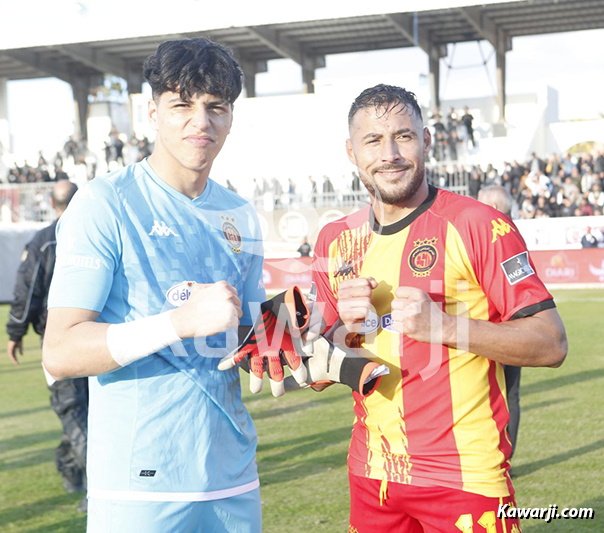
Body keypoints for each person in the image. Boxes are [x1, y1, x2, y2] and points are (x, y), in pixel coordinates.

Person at [311, 84, 567, 533]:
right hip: (372, 477)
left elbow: (550, 343)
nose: (389, 153)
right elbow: (317, 375)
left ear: (427, 141)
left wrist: (447, 327)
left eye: (403, 137)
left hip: (465, 477)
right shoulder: (335, 241)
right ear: (351, 152)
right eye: (373, 141)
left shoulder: (478, 224)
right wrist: (339, 334)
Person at [43, 38, 265, 533]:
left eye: (216, 107)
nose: (200, 122)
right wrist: (178, 323)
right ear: (152, 112)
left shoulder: (240, 214)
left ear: (231, 116)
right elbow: (59, 351)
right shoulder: (104, 203)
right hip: (141, 484)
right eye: (181, 105)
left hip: (233, 477)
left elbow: (247, 340)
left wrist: (301, 333)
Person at [6, 181, 87, 510]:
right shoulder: (95, 234)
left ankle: (92, 484)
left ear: (52, 204)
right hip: (98, 336)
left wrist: (15, 332)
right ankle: (71, 468)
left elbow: (27, 291)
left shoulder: (43, 241)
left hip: (58, 340)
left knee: (72, 408)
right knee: (79, 409)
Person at [477, 186, 522, 459]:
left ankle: (500, 457)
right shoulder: (510, 234)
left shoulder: (497, 235)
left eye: (480, 204)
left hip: (495, 330)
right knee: (507, 396)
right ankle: (502, 458)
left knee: (501, 396)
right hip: (501, 328)